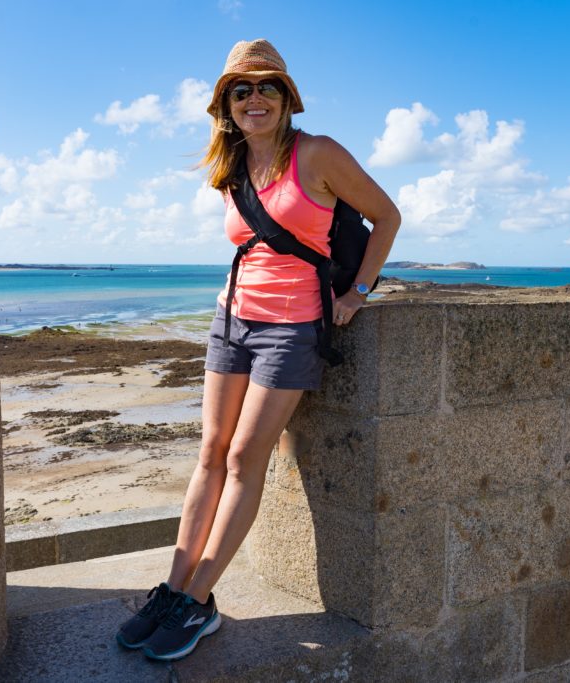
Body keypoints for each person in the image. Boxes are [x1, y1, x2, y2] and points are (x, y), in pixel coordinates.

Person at [116, 38, 401, 661]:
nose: (254, 98)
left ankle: (199, 602)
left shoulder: (319, 153)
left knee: (246, 456)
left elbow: (387, 216)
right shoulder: (233, 166)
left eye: (266, 87)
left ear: (286, 98)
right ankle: (173, 590)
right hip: (231, 319)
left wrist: (357, 292)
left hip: (292, 327)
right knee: (211, 452)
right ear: (227, 104)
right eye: (240, 90)